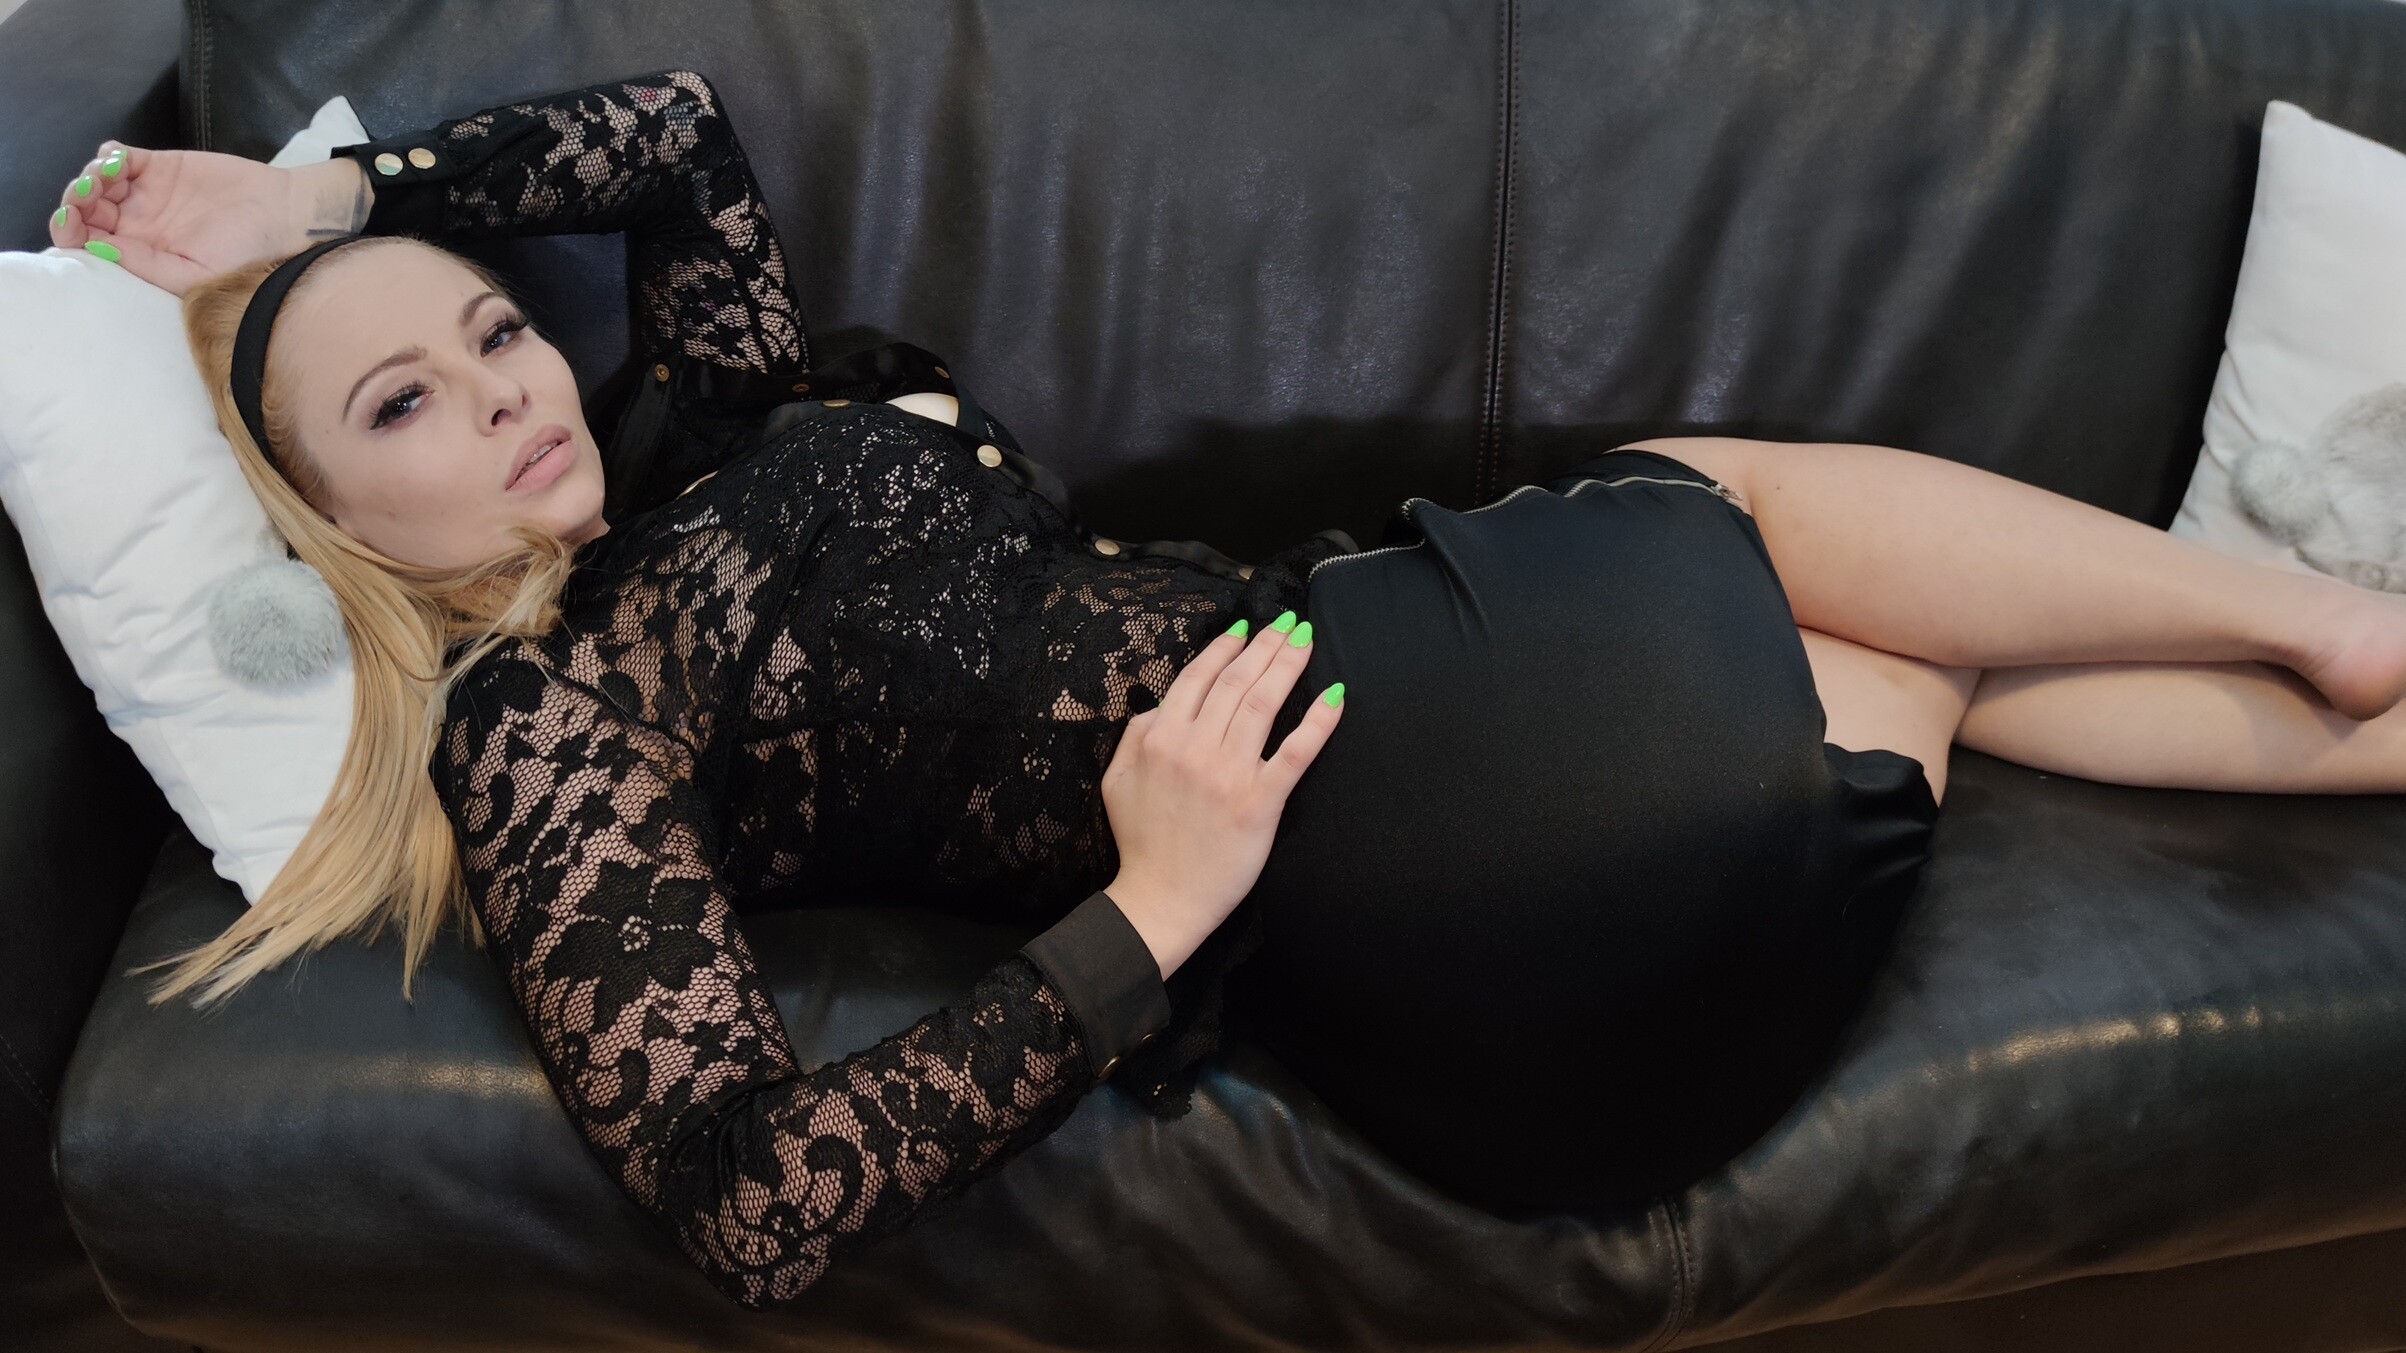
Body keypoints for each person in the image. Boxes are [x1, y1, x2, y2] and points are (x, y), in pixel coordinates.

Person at [47, 69, 2406, 1307]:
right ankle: (2308, 616)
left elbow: (672, 142)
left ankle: (2358, 667)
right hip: (1416, 859)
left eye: (491, 331)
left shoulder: (718, 436)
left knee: (1893, 645)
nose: (500, 386)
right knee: (1720, 499)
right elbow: (751, 1199)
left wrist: (330, 211)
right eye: (403, 407)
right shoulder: (539, 719)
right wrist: (1145, 915)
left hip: (1491, 824)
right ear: (336, 531)